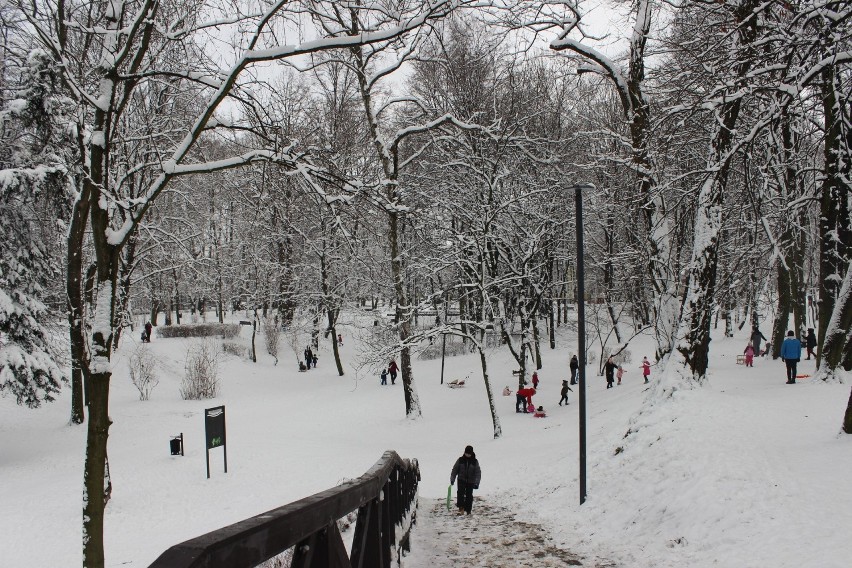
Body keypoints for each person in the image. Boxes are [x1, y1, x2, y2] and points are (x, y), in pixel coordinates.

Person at [450, 445, 481, 515]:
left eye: (469, 453)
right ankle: (461, 508)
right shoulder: (460, 460)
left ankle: (468, 510)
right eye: (466, 453)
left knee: (469, 496)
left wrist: (476, 483)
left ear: (471, 453)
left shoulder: (475, 462)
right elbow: (455, 470)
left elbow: (478, 473)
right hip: (461, 480)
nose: (467, 455)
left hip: (471, 481)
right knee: (460, 494)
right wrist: (452, 479)